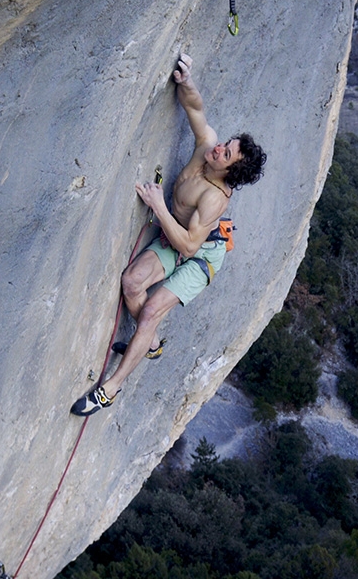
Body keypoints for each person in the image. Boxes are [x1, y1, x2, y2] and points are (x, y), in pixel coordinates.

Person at [71, 53, 266, 416]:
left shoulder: (214, 200)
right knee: (131, 283)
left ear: (231, 171)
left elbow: (191, 246)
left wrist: (159, 206)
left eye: (227, 153)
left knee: (149, 314)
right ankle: (152, 344)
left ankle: (109, 390)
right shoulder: (206, 148)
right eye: (228, 143)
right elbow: (195, 108)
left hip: (201, 256)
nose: (220, 148)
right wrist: (187, 81)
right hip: (176, 237)